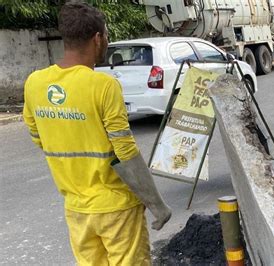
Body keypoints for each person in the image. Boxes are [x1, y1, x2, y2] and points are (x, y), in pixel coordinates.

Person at [22, 2, 171, 265]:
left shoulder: (35, 83)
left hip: (77, 210)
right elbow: (125, 151)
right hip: (117, 209)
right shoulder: (103, 85)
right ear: (98, 38)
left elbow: (39, 137)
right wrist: (156, 204)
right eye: (107, 35)